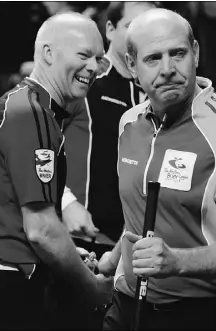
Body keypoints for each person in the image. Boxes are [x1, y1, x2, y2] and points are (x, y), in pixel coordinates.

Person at [102, 8, 216, 330]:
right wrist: (112, 260)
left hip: (203, 314)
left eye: (178, 53)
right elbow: (143, 216)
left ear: (196, 54)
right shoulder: (129, 123)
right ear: (132, 66)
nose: (168, 69)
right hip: (126, 309)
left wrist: (177, 263)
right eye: (153, 58)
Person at [0, 12, 113, 331]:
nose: (94, 68)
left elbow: (15, 212)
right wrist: (92, 287)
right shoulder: (31, 114)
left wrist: (71, 254)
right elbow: (42, 231)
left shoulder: (26, 105)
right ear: (47, 53)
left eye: (99, 59)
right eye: (84, 55)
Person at [62, 2, 159, 250]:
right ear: (110, 29)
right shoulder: (84, 79)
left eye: (149, 29)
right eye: (131, 26)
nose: (139, 36)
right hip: (82, 236)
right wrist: (65, 202)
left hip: (134, 244)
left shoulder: (161, 92)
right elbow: (30, 142)